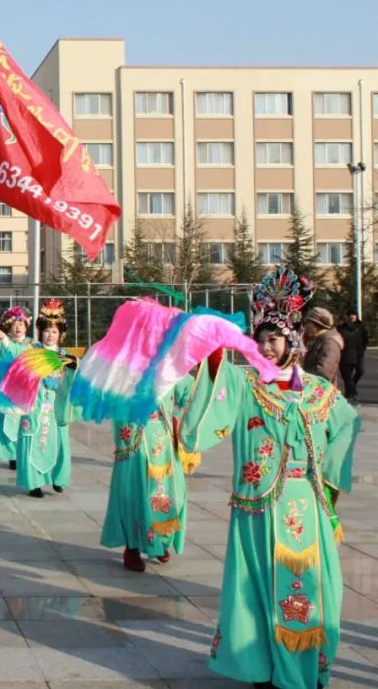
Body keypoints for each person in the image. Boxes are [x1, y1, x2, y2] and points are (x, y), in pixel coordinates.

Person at [179, 267, 358, 689]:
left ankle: (303, 667)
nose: (265, 347)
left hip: (306, 505)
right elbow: (211, 395)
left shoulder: (318, 390)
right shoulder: (246, 384)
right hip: (257, 507)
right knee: (254, 588)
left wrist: (328, 481)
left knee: (310, 588)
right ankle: (259, 667)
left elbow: (348, 424)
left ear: (293, 340)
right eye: (259, 339)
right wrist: (213, 352)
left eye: (274, 338)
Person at [101, 374, 195, 572]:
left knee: (169, 494)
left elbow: (189, 389)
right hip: (135, 442)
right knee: (134, 495)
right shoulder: (127, 370)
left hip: (163, 441)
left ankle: (160, 540)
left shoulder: (169, 368)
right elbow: (115, 400)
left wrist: (178, 417)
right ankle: (132, 547)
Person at [15, 299, 76, 498]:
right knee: (33, 439)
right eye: (47, 331)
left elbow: (73, 380)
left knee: (59, 442)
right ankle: (34, 483)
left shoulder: (65, 356)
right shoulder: (32, 352)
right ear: (41, 332)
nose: (50, 335)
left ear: (60, 334)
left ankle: (58, 478)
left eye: (54, 331)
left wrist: (74, 367)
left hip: (55, 405)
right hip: (36, 405)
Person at [0, 307, 34, 469]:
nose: (18, 328)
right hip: (5, 390)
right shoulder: (1, 341)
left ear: (26, 327)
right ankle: (12, 455)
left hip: (24, 391)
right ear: (9, 326)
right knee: (4, 421)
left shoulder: (32, 345)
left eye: (21, 324)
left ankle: (21, 453)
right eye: (15, 324)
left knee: (22, 422)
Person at [301, 307, 343, 386]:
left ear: (317, 325)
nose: (305, 326)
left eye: (307, 322)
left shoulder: (329, 342)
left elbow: (324, 371)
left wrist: (301, 377)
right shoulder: (318, 339)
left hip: (319, 388)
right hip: (313, 387)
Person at [336, 311, 368, 401]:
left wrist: (362, 349)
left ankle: (351, 391)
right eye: (351, 315)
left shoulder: (341, 330)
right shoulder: (352, 329)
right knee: (348, 376)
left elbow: (364, 339)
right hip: (350, 354)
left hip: (350, 355)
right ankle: (349, 393)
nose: (352, 317)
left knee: (349, 376)